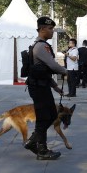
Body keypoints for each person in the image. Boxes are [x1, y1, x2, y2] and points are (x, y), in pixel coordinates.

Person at [24, 16, 67, 161]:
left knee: (51, 116)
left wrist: (55, 86)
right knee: (44, 117)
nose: (52, 31)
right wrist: (66, 72)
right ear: (42, 29)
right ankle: (41, 150)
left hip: (42, 85)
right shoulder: (41, 46)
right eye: (50, 28)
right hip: (38, 87)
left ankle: (33, 142)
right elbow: (52, 66)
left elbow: (44, 71)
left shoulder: (41, 45)